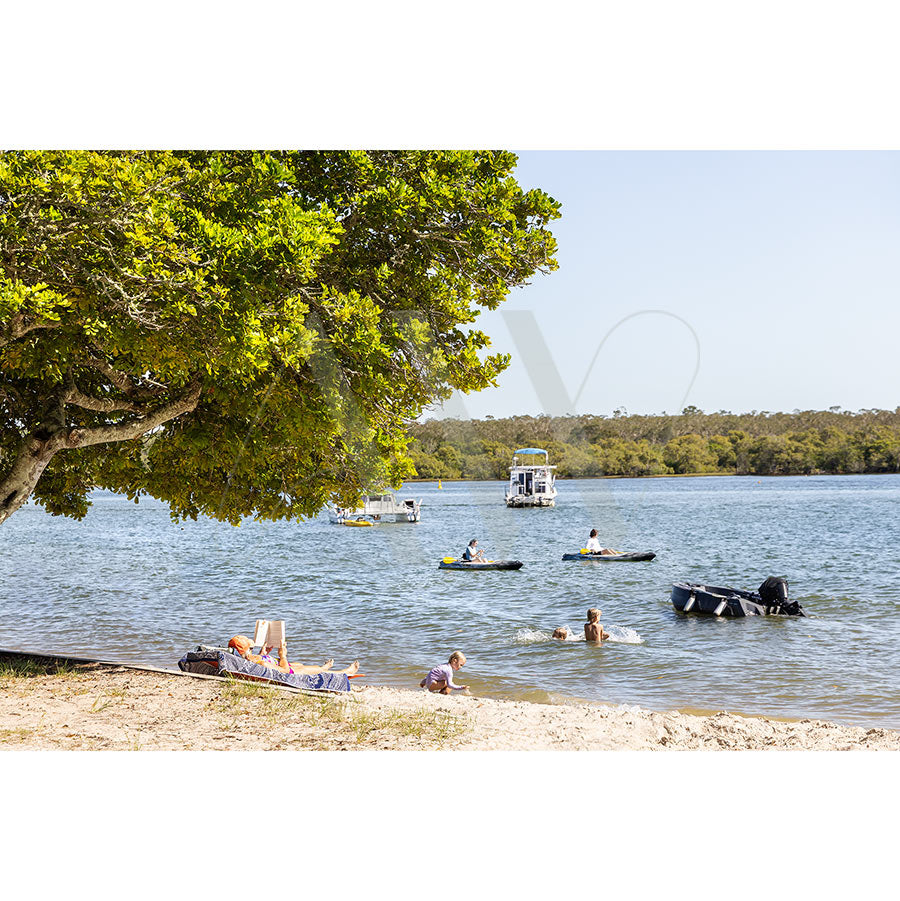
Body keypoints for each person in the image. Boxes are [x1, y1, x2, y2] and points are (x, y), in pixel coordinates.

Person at [227, 635, 360, 676]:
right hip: (289, 671)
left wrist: (263, 654)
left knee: (303, 665)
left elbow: (252, 659)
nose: (252, 649)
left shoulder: (248, 660)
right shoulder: (261, 664)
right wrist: (282, 655)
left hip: (276, 663)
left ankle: (324, 668)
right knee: (313, 670)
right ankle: (345, 673)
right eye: (250, 648)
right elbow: (284, 672)